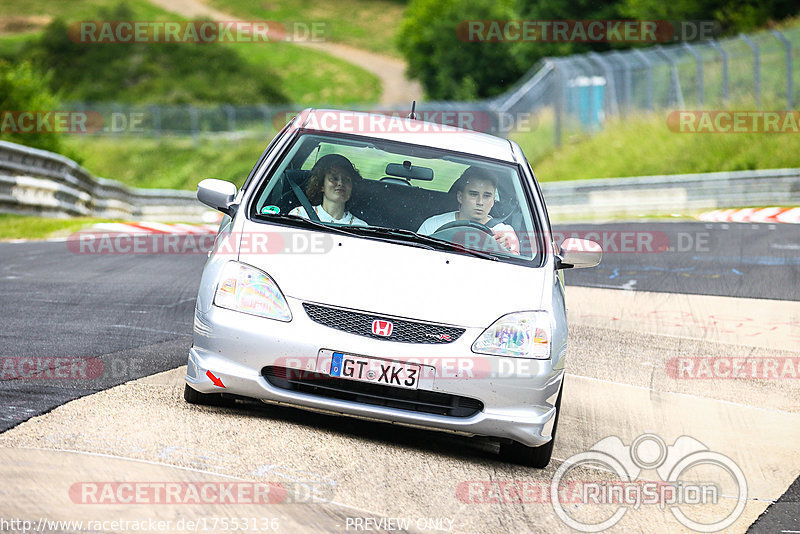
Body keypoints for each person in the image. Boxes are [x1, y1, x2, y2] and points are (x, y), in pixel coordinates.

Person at [417, 165, 519, 254]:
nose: (480, 202)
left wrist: (508, 250)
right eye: (473, 194)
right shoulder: (433, 225)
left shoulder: (504, 233)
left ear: (493, 200)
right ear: (460, 197)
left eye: (487, 196)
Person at [289, 154, 368, 226]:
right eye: (334, 178)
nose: (340, 183)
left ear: (352, 188)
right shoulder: (300, 215)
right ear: (321, 186)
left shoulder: (361, 227)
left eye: (346, 180)